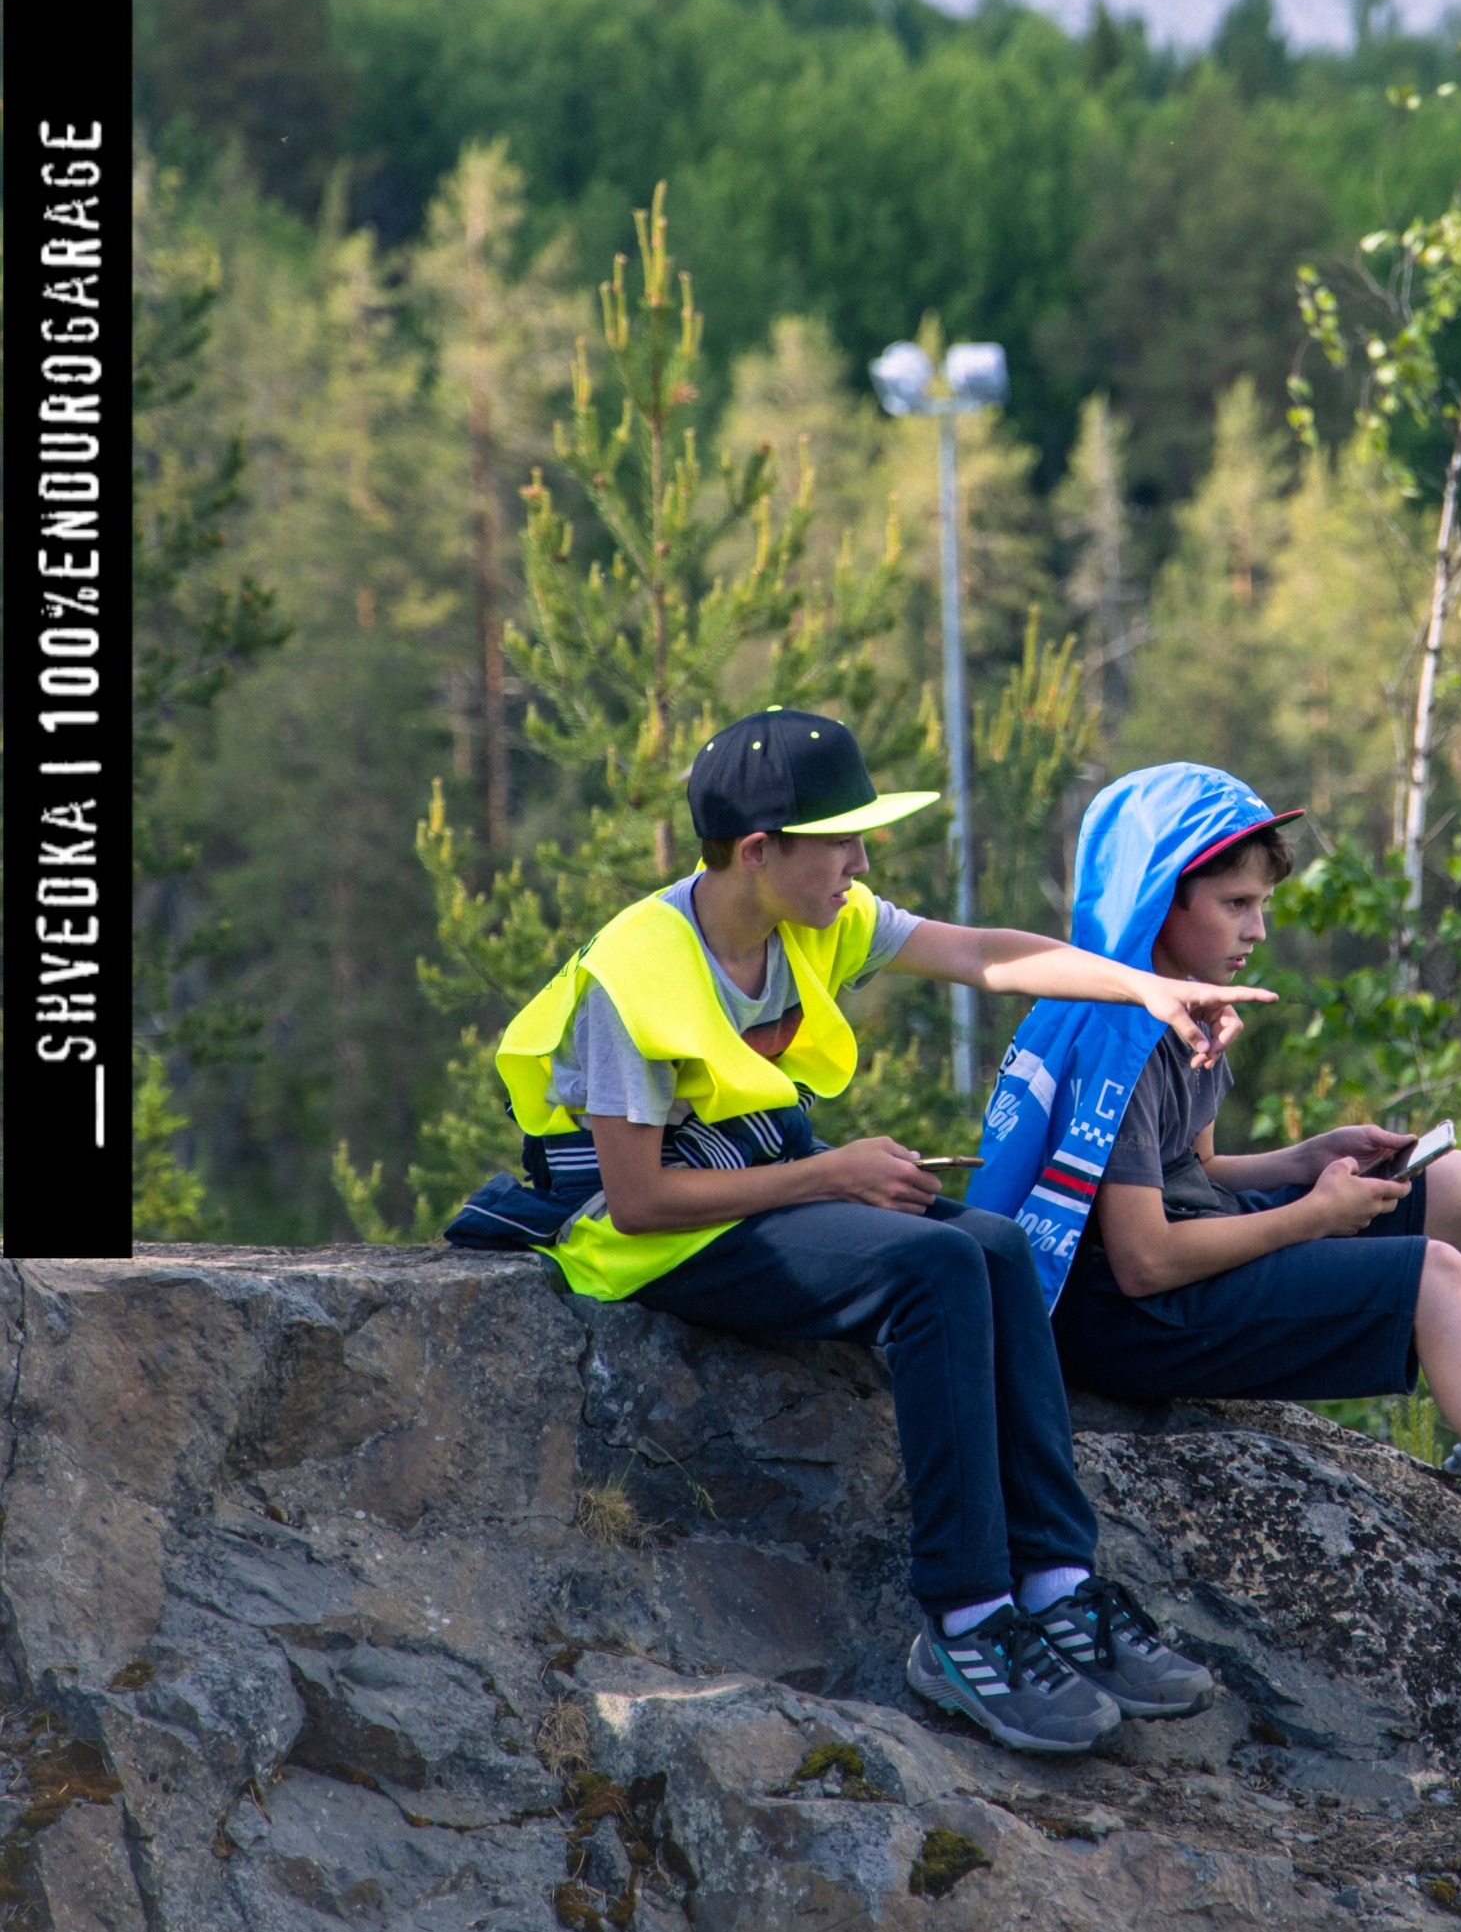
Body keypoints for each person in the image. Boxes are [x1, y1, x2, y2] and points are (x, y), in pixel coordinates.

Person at [477, 708, 1265, 1758]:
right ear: (759, 853)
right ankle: (965, 1617)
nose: (860, 861)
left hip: (762, 1187)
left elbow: (984, 954)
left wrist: (1148, 986)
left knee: (992, 1243)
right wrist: (833, 1174)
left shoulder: (811, 917)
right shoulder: (638, 973)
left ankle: (1059, 1582)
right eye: (841, 840)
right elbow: (638, 1203)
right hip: (658, 1239)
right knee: (936, 1265)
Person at [971, 762, 1461, 1658]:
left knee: (1459, 1185)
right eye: (1236, 904)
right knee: (1430, 1278)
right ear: (1162, 895)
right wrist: (1309, 1216)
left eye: (1261, 904)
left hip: (1169, 1260)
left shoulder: (1170, 1004)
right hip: (1124, 1321)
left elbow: (1191, 1169)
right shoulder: (1115, 1037)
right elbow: (1144, 1259)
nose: (1258, 928)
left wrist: (1309, 1158)